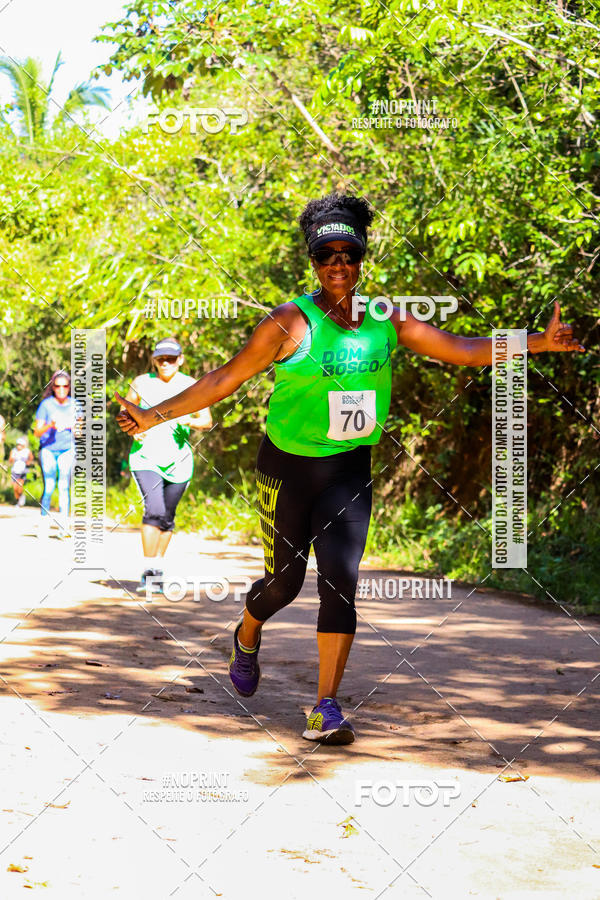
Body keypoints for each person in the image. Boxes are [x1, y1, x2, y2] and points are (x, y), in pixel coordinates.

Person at [115, 192, 585, 745]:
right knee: (284, 585)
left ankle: (325, 706)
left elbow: (459, 347)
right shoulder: (289, 321)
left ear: (362, 258)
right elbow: (224, 379)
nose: (338, 264)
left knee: (341, 582)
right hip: (286, 467)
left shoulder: (385, 320)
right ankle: (246, 631)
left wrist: (538, 343)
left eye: (348, 253)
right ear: (312, 262)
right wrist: (152, 416)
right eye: (326, 255)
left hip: (347, 469)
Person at [123, 337, 213, 593]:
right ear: (154, 360)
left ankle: (157, 570)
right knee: (154, 510)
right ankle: (148, 570)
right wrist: (133, 430)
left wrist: (187, 421)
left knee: (167, 518)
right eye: (161, 359)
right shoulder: (142, 382)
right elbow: (126, 411)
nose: (166, 364)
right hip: (145, 458)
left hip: (180, 462)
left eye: (171, 359)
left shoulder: (191, 385)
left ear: (180, 360)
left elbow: (206, 420)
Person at [34, 370, 75, 537]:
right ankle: (44, 523)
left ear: (69, 387)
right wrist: (50, 425)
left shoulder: (75, 405)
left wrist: (76, 427)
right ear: (53, 387)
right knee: (49, 487)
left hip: (67, 449)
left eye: (65, 386)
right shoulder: (46, 405)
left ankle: (63, 527)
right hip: (48, 450)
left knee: (64, 486)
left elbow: (80, 430)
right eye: (57, 386)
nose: (61, 389)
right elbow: (37, 432)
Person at [9, 436, 34, 507]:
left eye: (20, 444)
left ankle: (20, 498)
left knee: (19, 487)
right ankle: (18, 501)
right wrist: (11, 459)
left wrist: (28, 462)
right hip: (14, 471)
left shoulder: (27, 451)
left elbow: (31, 458)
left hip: (23, 471)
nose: (19, 446)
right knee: (15, 488)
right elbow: (10, 460)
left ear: (23, 445)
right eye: (18, 444)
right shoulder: (13, 451)